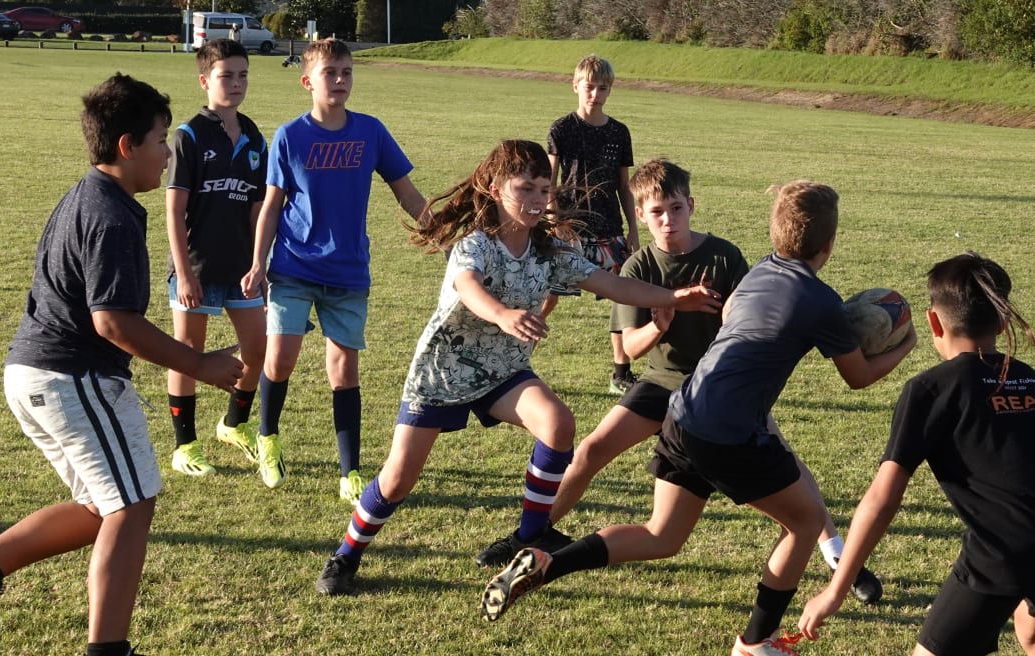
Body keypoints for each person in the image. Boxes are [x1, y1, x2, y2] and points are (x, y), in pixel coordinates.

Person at [481, 180, 917, 656]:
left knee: (661, 535)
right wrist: (907, 344)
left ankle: (548, 562)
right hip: (728, 432)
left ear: (776, 236)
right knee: (805, 523)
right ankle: (756, 643)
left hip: (683, 413)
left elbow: (733, 313)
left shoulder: (759, 273)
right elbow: (858, 376)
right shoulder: (820, 301)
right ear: (829, 244)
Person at [311, 140, 724, 597]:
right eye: (525, 187)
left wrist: (673, 298)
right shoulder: (476, 246)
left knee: (558, 423)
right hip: (443, 374)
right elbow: (466, 286)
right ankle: (345, 556)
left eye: (544, 188)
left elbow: (610, 284)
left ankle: (531, 535)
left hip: (503, 371)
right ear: (492, 187)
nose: (537, 199)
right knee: (397, 479)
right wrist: (502, 314)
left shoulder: (550, 252)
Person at [0, 74, 243, 656]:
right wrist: (198, 364)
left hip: (33, 373)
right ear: (127, 146)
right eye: (159, 142)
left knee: (101, 504)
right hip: (71, 376)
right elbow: (114, 324)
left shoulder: (87, 194)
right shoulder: (112, 214)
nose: (167, 154)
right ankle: (107, 649)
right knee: (131, 505)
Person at [799, 252, 1035, 656]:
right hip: (1022, 546)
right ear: (1000, 321)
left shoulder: (931, 389)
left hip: (1003, 552)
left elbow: (882, 498)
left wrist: (836, 590)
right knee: (1029, 630)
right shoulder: (1027, 376)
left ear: (932, 322)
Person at [240, 38, 427, 497]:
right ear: (308, 81)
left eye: (346, 72)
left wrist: (439, 233)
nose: (340, 80)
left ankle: (350, 472)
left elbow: (406, 192)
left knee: (344, 371)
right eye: (331, 73)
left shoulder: (371, 131)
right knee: (280, 359)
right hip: (293, 266)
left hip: (348, 271)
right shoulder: (289, 136)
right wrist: (257, 263)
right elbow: (270, 207)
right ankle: (268, 437)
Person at [165, 38, 267, 477]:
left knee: (258, 349)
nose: (237, 83)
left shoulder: (254, 135)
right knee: (188, 354)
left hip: (241, 267)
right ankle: (185, 445)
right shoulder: (188, 135)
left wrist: (261, 261)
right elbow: (174, 209)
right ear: (206, 80)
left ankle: (232, 423)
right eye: (227, 75)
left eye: (243, 74)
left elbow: (257, 206)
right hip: (199, 267)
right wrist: (184, 274)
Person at [543, 54, 639, 395]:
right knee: (546, 296)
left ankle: (621, 373)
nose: (595, 94)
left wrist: (634, 229)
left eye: (602, 88)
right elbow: (549, 183)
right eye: (589, 87)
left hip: (608, 227)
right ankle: (513, 362)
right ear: (575, 87)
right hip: (568, 228)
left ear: (610, 91)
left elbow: (625, 187)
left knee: (623, 297)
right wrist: (556, 223)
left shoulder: (619, 133)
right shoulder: (561, 129)